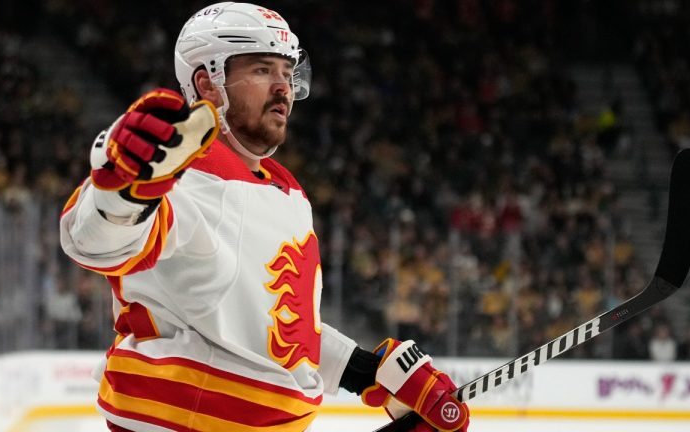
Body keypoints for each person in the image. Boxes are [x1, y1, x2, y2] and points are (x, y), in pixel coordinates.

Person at [60, 3, 470, 431]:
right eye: (261, 70)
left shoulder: (285, 190)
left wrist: (364, 372)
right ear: (208, 84)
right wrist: (125, 191)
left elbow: (272, 324)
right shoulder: (182, 173)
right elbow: (95, 242)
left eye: (286, 72)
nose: (283, 87)